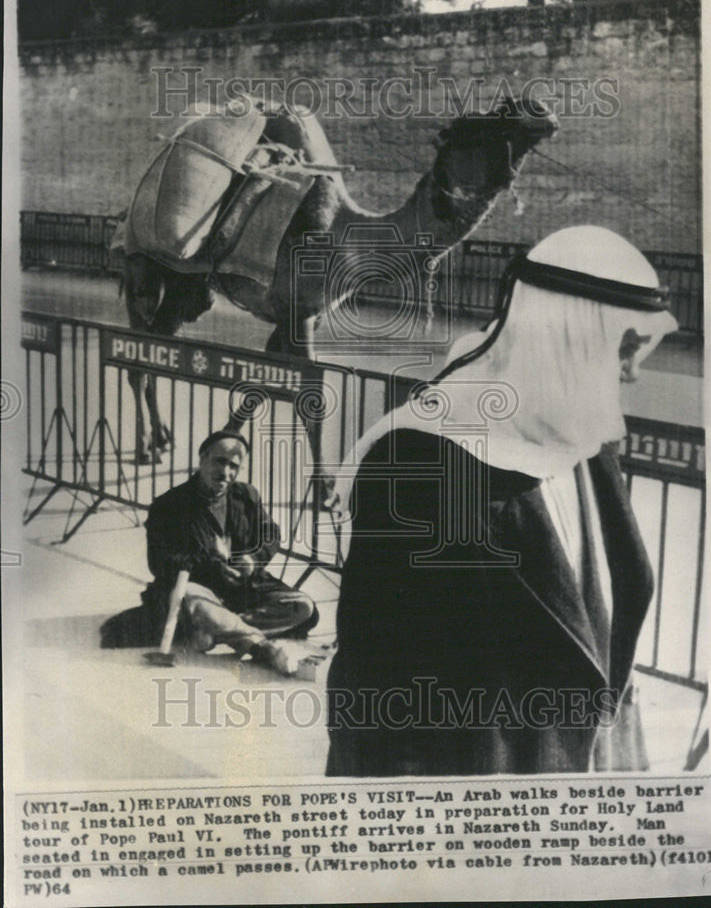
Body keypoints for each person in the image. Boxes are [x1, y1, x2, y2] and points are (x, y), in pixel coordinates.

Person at [325, 226, 679, 776]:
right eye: (626, 348)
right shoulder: (422, 463)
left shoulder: (588, 433)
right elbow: (377, 694)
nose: (634, 374)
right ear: (566, 337)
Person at [102, 430, 318, 674]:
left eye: (233, 466)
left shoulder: (246, 495)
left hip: (243, 591)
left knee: (303, 606)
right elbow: (159, 562)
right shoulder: (169, 505)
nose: (226, 472)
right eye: (219, 461)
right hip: (197, 587)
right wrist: (209, 564)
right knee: (193, 599)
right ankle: (263, 649)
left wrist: (253, 560)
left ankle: (214, 629)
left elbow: (271, 535)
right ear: (202, 458)